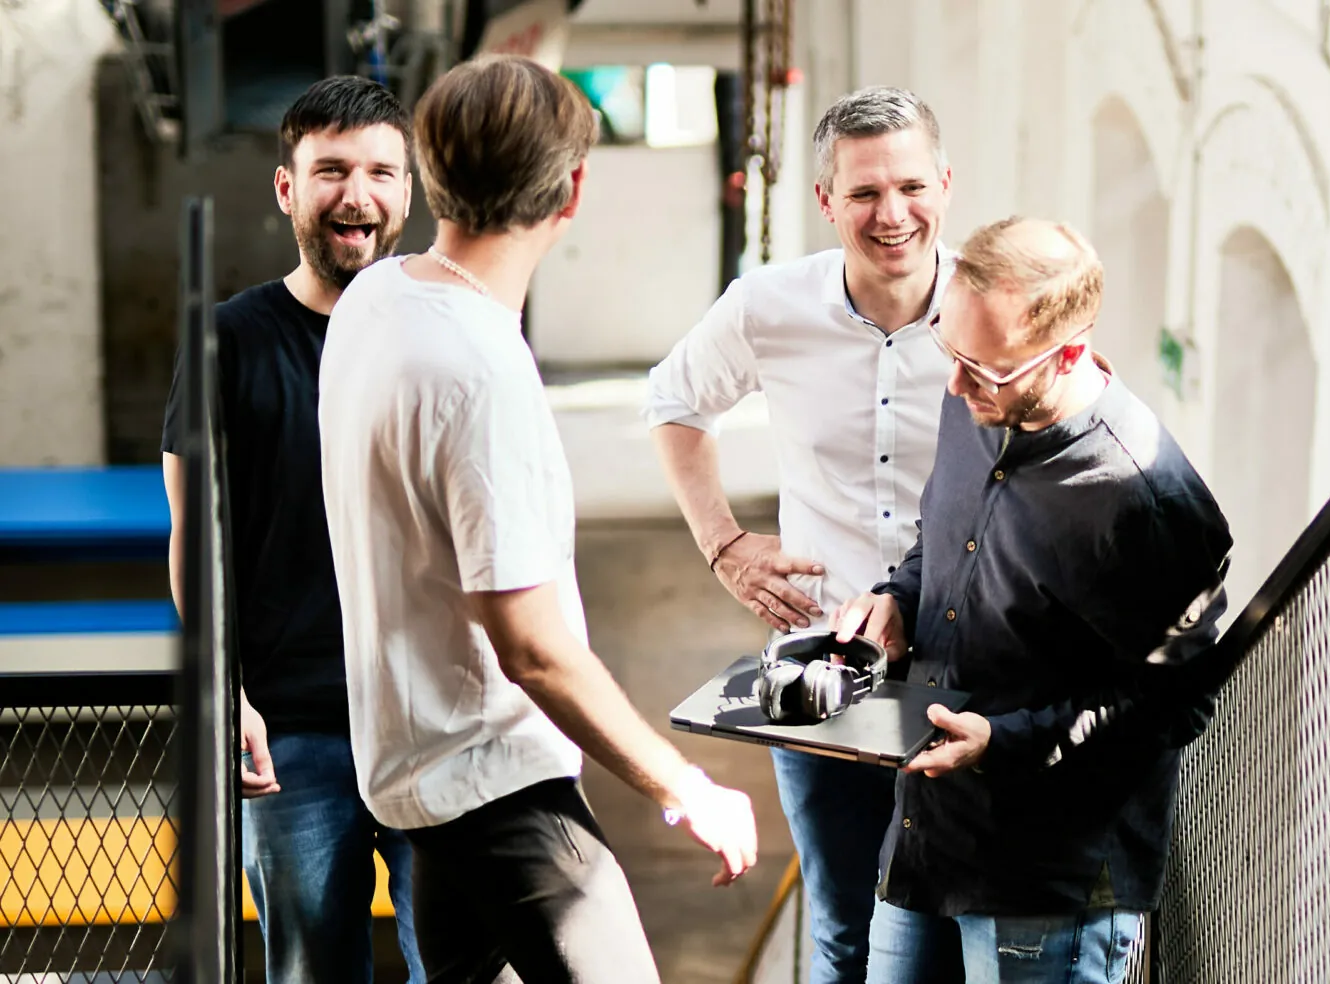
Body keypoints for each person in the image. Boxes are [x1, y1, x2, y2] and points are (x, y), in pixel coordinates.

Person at [316, 54, 759, 984]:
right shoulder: (477, 369)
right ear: (573, 191)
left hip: (410, 779)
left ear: (431, 172)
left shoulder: (374, 298)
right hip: (496, 791)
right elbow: (532, 646)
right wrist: (688, 788)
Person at [834, 216, 1233, 984]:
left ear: (1070, 353)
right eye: (949, 350)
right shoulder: (979, 395)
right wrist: (898, 598)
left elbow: (1176, 703)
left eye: (982, 368)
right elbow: (940, 541)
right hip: (926, 837)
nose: (955, 385)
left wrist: (1004, 740)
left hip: (1046, 889)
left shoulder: (1148, 502)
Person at [645, 85, 956, 982]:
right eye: (863, 193)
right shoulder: (769, 307)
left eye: (909, 187)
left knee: (950, 929)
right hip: (826, 671)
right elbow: (673, 403)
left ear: (944, 183)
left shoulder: (989, 303)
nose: (890, 214)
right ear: (826, 202)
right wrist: (725, 546)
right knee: (845, 930)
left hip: (964, 665)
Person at [162, 76, 424, 983]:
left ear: (410, 189)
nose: (359, 194)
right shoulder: (228, 339)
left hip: (429, 717)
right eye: (332, 170)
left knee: (463, 962)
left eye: (381, 171)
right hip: (293, 731)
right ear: (287, 188)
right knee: (311, 968)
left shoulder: (442, 334)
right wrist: (224, 692)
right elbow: (195, 537)